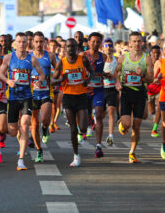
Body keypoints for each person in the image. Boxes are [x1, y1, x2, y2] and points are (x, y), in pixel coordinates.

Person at [0, 32, 45, 170]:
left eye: (24, 42)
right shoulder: (8, 58)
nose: (22, 44)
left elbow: (41, 74)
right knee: (13, 131)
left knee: (25, 124)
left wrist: (38, 82)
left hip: (26, 96)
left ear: (27, 43)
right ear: (15, 43)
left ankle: (21, 160)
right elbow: (0, 73)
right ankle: (14, 132)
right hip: (13, 97)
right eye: (19, 41)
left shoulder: (32, 59)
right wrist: (8, 80)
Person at [52, 38, 93, 167]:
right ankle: (76, 155)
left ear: (76, 47)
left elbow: (92, 71)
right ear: (65, 49)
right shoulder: (62, 62)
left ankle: (82, 134)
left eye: (72, 46)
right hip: (68, 97)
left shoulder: (83, 60)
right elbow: (53, 81)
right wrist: (61, 80)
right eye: (68, 46)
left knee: (83, 128)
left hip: (81, 96)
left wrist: (88, 80)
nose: (70, 48)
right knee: (73, 129)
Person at [115, 31, 153, 163]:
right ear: (130, 43)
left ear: (142, 42)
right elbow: (116, 73)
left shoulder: (146, 58)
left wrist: (142, 75)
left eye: (139, 41)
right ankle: (122, 125)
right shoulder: (123, 58)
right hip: (126, 92)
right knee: (127, 124)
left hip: (140, 93)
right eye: (134, 41)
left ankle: (132, 152)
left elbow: (151, 79)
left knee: (136, 125)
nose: (137, 43)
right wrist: (117, 83)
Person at [30, 31, 57, 163]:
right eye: (36, 41)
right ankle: (39, 149)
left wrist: (56, 81)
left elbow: (58, 71)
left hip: (46, 92)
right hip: (31, 94)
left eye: (41, 41)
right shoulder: (27, 57)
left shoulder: (50, 56)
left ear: (45, 42)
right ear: (33, 43)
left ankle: (45, 129)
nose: (39, 44)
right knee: (34, 124)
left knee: (45, 119)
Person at [82, 33, 107, 158]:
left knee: (99, 114)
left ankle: (98, 145)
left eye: (98, 42)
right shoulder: (83, 56)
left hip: (98, 90)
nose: (95, 44)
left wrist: (105, 74)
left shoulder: (104, 56)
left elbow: (101, 70)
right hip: (85, 90)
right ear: (88, 42)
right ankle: (88, 122)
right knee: (84, 119)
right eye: (93, 41)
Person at [102, 38, 118, 146]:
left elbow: (119, 72)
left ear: (113, 48)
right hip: (102, 89)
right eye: (106, 46)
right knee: (101, 114)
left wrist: (115, 77)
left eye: (110, 45)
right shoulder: (101, 60)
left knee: (111, 111)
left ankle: (111, 135)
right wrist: (105, 74)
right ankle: (94, 119)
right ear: (103, 48)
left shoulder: (117, 60)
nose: (108, 48)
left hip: (112, 88)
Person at [147, 45, 162, 137]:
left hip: (159, 89)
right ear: (151, 53)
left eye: (158, 53)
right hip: (149, 90)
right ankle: (154, 116)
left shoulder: (161, 63)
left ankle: (154, 129)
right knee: (152, 111)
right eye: (154, 53)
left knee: (159, 108)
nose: (156, 54)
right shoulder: (147, 63)